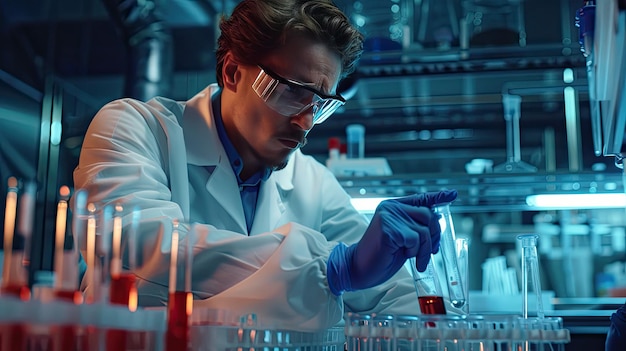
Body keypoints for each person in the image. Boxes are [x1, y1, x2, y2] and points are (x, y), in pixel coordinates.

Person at [72, 0, 457, 330]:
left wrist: (443, 328)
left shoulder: (312, 182)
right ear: (232, 72)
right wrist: (331, 269)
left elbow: (391, 293)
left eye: (320, 104)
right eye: (292, 92)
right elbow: (136, 243)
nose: (305, 122)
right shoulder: (134, 128)